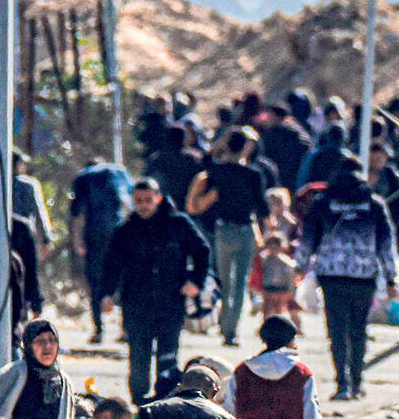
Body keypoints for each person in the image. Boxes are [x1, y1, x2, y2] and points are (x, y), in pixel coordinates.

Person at [101, 178, 211, 404]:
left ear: (158, 198)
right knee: (139, 356)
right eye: (139, 201)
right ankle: (139, 402)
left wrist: (195, 282)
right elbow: (111, 263)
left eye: (148, 200)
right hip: (136, 304)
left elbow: (202, 250)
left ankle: (166, 399)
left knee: (168, 356)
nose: (143, 205)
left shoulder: (178, 224)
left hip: (171, 302)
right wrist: (107, 294)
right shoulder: (126, 229)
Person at [298, 158, 397, 400]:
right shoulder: (374, 203)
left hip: (331, 275)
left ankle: (342, 383)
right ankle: (357, 382)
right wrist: (391, 278)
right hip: (364, 276)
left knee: (336, 329)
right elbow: (386, 244)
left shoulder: (323, 202)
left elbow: (308, 237)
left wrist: (300, 267)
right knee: (358, 329)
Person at [188, 127, 272, 347]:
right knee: (240, 282)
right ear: (246, 147)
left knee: (225, 281)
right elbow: (262, 208)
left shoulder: (218, 171)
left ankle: (224, 324)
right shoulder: (254, 175)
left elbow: (205, 159)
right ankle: (231, 330)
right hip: (245, 231)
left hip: (223, 231)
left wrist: (219, 143)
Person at [69, 158, 132, 344]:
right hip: (119, 233)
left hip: (94, 234)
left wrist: (77, 240)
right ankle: (126, 329)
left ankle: (99, 330)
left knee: (95, 282)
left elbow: (76, 213)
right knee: (123, 281)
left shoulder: (83, 178)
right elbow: (130, 204)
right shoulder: (120, 174)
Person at [147, 124, 206, 210]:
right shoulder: (193, 158)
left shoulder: (156, 159)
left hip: (163, 205)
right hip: (188, 203)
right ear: (183, 138)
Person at [257, 103, 313, 192]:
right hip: (298, 180)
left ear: (275, 116)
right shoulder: (300, 133)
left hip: (280, 180)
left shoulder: (273, 135)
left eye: (268, 114)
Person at [252, 233, 299, 325]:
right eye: (270, 245)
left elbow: (290, 275)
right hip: (268, 286)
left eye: (276, 245)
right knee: (267, 308)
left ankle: (279, 326)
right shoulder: (264, 259)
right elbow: (258, 272)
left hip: (282, 288)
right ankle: (266, 325)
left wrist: (291, 289)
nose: (273, 248)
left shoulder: (286, 261)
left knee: (280, 309)